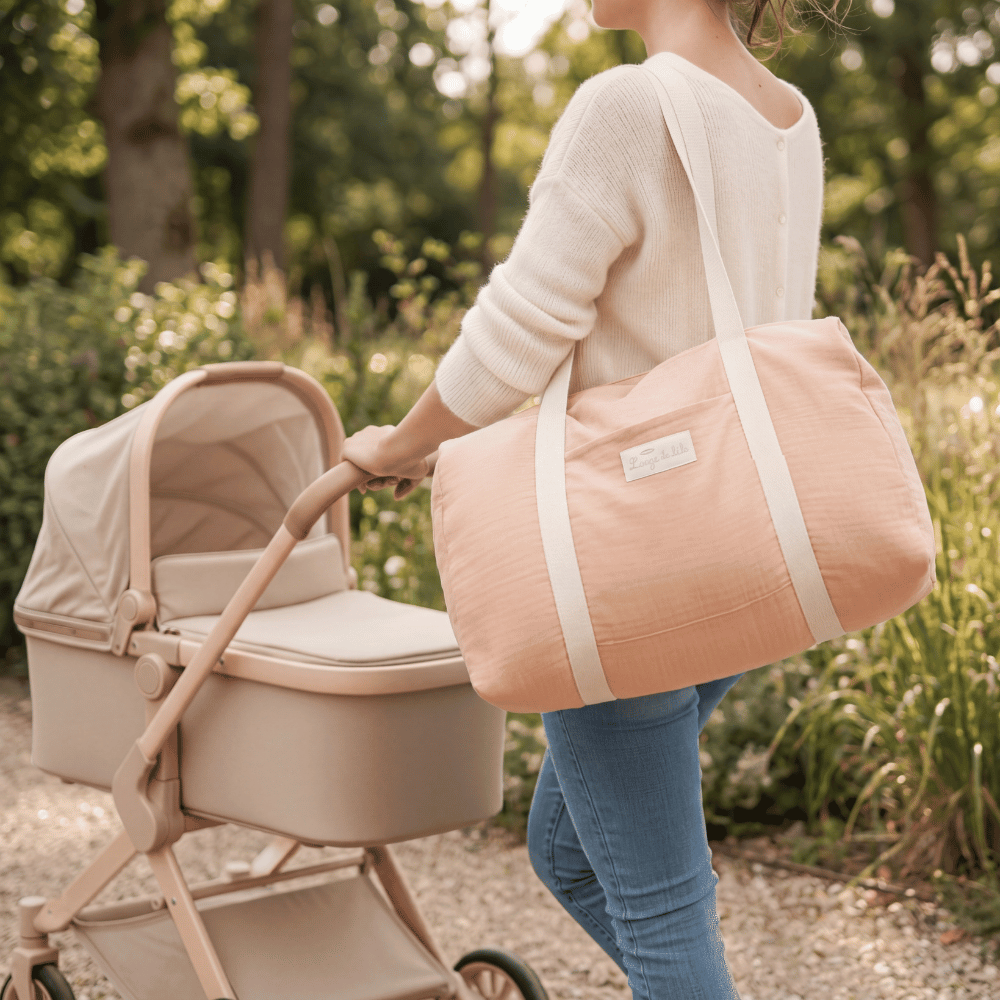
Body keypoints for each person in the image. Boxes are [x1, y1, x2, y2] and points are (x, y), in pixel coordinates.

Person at [344, 1, 825, 995]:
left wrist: (401, 443)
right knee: (566, 852)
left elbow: (521, 327)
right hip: (741, 547)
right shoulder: (787, 116)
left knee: (661, 911)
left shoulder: (627, 107)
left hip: (624, 564)